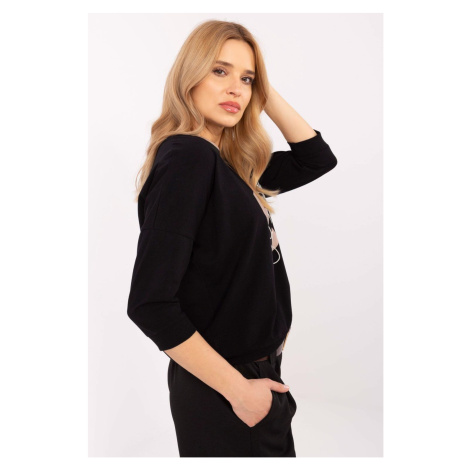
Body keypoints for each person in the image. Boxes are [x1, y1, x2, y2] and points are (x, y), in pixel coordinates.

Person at [127, 20, 338, 457]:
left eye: (247, 79)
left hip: (247, 382)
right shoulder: (188, 158)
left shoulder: (230, 165)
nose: (235, 89)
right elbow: (150, 303)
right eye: (220, 71)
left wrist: (264, 89)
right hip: (227, 388)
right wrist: (239, 391)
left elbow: (317, 159)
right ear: (189, 77)